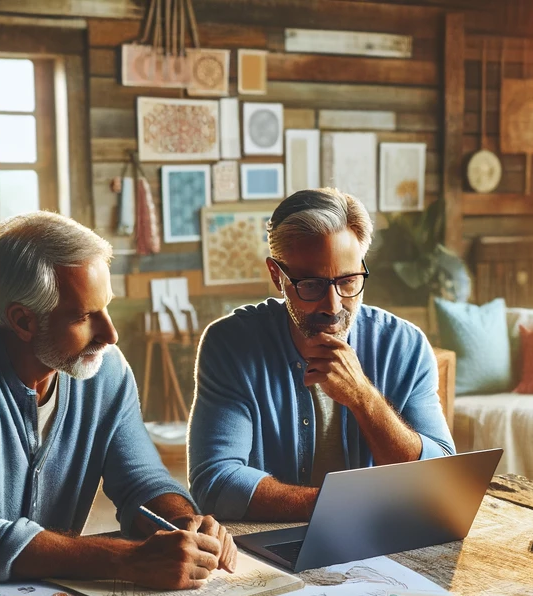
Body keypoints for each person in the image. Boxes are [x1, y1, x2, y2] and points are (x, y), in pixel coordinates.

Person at [0, 211, 234, 587]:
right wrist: (130, 560)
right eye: (85, 315)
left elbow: (141, 482)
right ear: (22, 320)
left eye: (108, 307)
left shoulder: (107, 370)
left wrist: (183, 523)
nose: (111, 334)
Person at [188, 188, 455, 521]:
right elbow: (215, 483)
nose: (333, 306)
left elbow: (441, 478)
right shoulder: (230, 345)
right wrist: (340, 507)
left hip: (387, 542)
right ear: (277, 276)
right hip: (269, 544)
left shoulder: (406, 346)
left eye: (348, 281)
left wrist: (363, 399)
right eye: (312, 285)